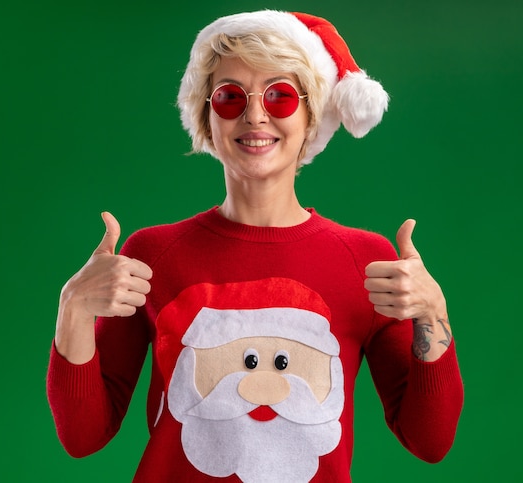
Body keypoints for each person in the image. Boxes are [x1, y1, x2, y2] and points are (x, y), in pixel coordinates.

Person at [47, 9, 463, 482]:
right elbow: (83, 437)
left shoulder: (366, 262)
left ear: (312, 115)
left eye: (280, 95)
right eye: (229, 97)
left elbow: (429, 441)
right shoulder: (152, 255)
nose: (255, 114)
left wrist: (433, 312)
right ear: (205, 114)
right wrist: (74, 308)